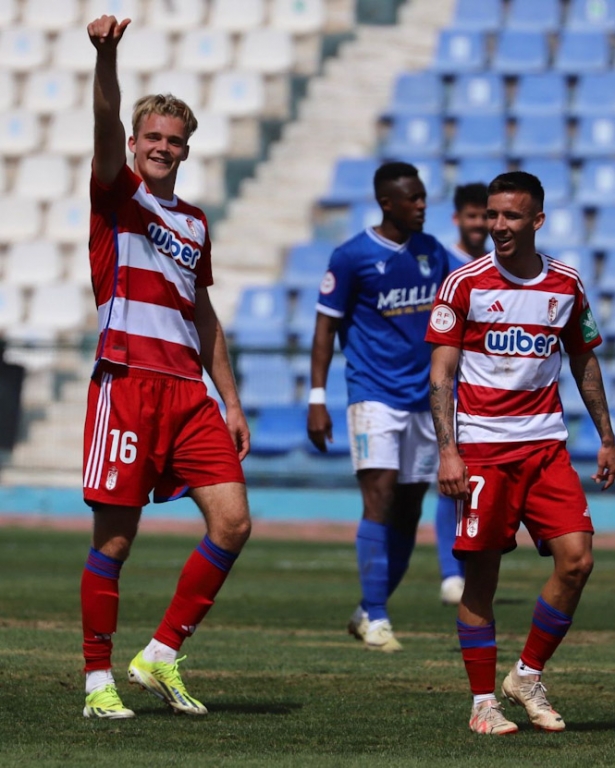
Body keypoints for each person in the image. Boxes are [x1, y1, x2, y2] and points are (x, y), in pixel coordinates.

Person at [80, 15, 251, 719]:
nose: (162, 147)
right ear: (133, 144)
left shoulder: (194, 222)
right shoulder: (114, 195)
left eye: (174, 140)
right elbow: (104, 112)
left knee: (233, 523)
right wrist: (108, 57)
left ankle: (160, 653)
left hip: (187, 391)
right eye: (152, 137)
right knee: (115, 542)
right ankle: (96, 684)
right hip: (126, 383)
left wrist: (231, 401)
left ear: (185, 149)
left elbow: (202, 314)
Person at [426, 171, 615, 735]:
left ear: (537, 221)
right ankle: (483, 702)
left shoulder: (566, 283)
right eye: (492, 215)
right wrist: (448, 453)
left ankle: (526, 675)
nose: (498, 226)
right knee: (482, 577)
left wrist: (606, 435)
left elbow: (583, 359)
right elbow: (441, 374)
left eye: (511, 216)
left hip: (546, 447)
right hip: (483, 451)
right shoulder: (463, 284)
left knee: (577, 559)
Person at [307, 161, 450, 652]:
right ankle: (381, 619)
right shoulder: (352, 257)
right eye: (413, 199)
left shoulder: (434, 252)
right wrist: (317, 397)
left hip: (425, 402)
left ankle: (368, 609)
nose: (422, 206)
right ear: (387, 203)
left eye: (424, 197)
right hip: (372, 394)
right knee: (381, 496)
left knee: (409, 508)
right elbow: (325, 327)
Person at [437, 183, 489, 606]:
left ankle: (466, 567)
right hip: (446, 389)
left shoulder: (498, 267)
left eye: (484, 216)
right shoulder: (445, 265)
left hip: (482, 391)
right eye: (471, 216)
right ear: (457, 218)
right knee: (449, 475)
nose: (479, 224)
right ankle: (451, 572)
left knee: (469, 478)